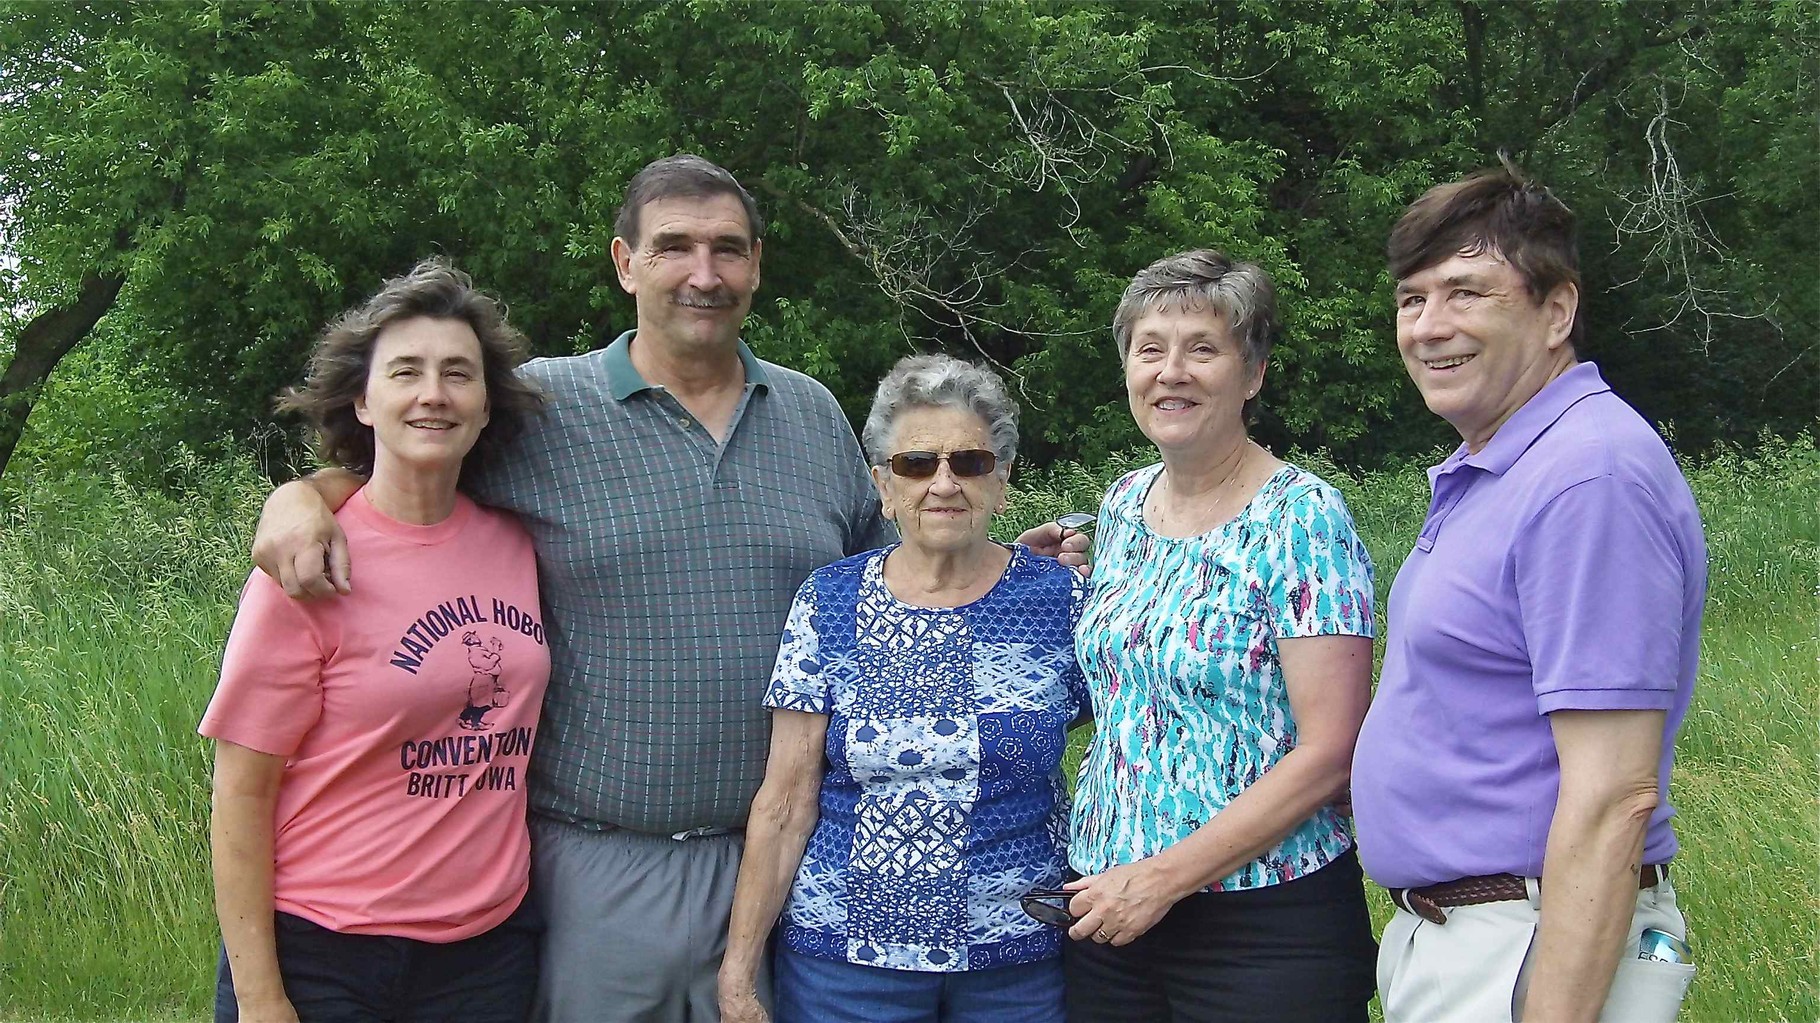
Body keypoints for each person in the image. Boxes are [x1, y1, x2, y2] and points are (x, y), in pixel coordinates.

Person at [250, 155, 1087, 1023]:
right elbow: (414, 472)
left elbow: (895, 579)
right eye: (674, 247)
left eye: (728, 249)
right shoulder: (544, 408)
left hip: (790, 862)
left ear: (757, 265)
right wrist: (305, 496)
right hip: (604, 866)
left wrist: (995, 568)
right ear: (623, 262)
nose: (704, 273)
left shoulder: (809, 413)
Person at [1351, 162, 1705, 1023]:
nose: (1430, 326)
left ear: (1557, 310)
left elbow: (1614, 797)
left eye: (1467, 292)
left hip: (1527, 942)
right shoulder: (1505, 465)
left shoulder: (1589, 477)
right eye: (1412, 299)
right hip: (1468, 936)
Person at [204, 258, 550, 1022]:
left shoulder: (519, 543)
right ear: (364, 400)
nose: (434, 393)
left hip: (486, 953)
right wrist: (261, 994)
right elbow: (241, 788)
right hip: (325, 949)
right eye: (406, 371)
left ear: (486, 406)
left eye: (458, 373)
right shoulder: (308, 562)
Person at [718, 355, 1088, 1023]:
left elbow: (1132, 742)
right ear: (882, 485)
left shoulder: (1063, 601)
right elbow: (785, 800)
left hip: (1018, 964)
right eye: (917, 464)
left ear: (1001, 481)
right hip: (846, 968)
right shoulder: (829, 603)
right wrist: (739, 976)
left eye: (969, 462)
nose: (943, 483)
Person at [1060, 250, 1378, 1021]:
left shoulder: (1303, 517)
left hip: (1265, 927)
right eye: (1150, 349)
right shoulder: (1123, 504)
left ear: (1253, 373)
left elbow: (1331, 748)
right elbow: (1127, 681)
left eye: (1202, 348)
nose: (1172, 371)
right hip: (1109, 910)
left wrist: (1164, 878)